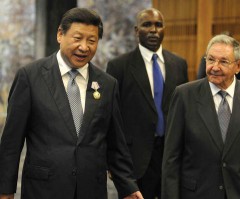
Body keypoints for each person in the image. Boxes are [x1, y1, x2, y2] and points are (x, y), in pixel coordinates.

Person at [0, 7, 143, 199]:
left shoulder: (107, 85)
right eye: (77, 38)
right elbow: (11, 142)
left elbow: (116, 144)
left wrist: (128, 187)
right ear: (60, 34)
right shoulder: (30, 77)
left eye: (91, 41)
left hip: (91, 190)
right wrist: (5, 190)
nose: (84, 47)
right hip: (43, 190)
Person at [162, 34, 240, 199]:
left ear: (238, 66)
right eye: (210, 60)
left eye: (223, 62)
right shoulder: (184, 95)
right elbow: (171, 158)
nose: (214, 67)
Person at [106, 8, 188, 199]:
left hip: (171, 157)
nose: (153, 30)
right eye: (147, 25)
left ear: (164, 29)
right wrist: (112, 162)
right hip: (135, 161)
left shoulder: (179, 64)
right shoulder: (119, 66)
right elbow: (111, 116)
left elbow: (185, 112)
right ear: (136, 30)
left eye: (158, 25)